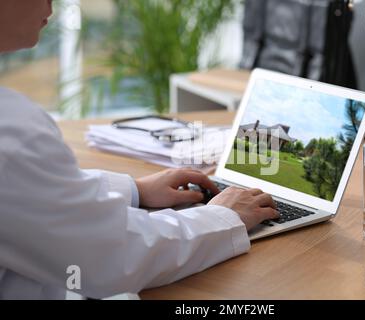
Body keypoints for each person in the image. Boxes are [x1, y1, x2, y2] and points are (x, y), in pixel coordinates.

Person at [0, 0, 279, 300]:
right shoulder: (13, 133)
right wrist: (223, 217)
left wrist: (134, 190)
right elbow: (112, 257)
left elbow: (33, 194)